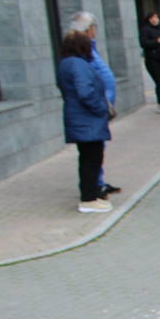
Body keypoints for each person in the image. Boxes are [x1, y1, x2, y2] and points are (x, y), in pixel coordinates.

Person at [57, 29, 113, 213]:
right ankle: (88, 199)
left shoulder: (65, 63)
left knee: (88, 158)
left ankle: (90, 196)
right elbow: (85, 92)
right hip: (87, 119)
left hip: (80, 118)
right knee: (92, 159)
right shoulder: (78, 64)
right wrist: (101, 109)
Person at [68, 11, 120, 197]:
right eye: (94, 28)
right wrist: (101, 108)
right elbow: (84, 90)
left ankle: (97, 186)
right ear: (89, 30)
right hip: (91, 113)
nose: (95, 32)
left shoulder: (86, 50)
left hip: (95, 112)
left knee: (95, 153)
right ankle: (91, 194)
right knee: (91, 155)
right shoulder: (79, 55)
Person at [139, 11, 160, 115]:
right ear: (149, 20)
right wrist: (156, 41)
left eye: (155, 17)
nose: (154, 19)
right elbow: (143, 43)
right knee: (159, 81)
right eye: (152, 18)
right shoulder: (145, 30)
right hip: (152, 59)